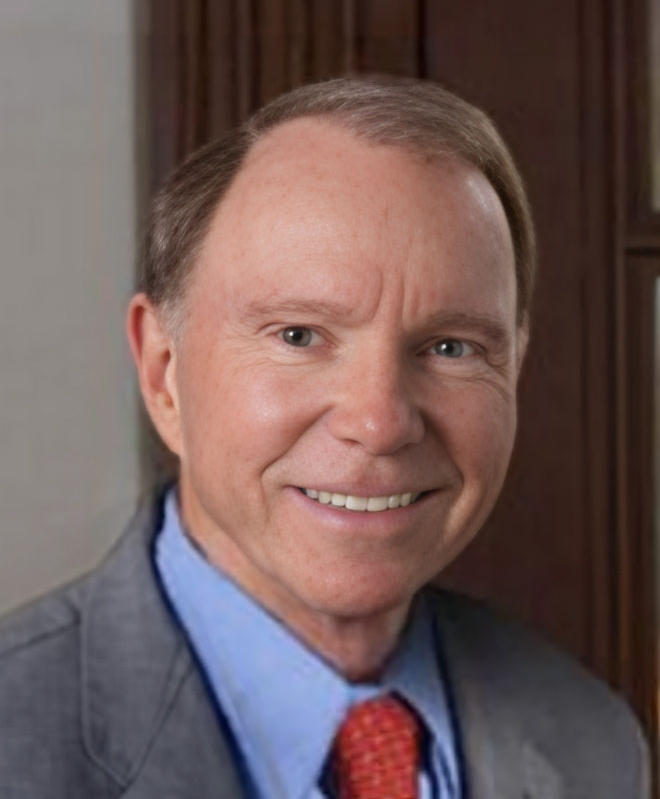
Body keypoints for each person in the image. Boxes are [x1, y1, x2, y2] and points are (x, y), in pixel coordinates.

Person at [0, 77, 649, 798]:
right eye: (299, 335)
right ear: (164, 374)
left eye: (452, 347)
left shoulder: (591, 739)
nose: (377, 423)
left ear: (515, 370)